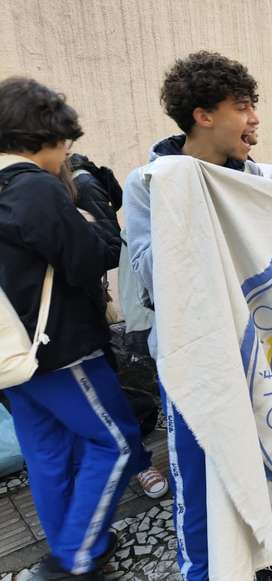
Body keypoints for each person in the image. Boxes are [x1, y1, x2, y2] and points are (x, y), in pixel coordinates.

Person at [124, 52, 272, 581]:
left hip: (256, 347)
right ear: (203, 115)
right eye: (243, 107)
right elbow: (149, 276)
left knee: (263, 456)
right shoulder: (148, 181)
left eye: (254, 106)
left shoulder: (256, 176)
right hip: (193, 358)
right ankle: (203, 572)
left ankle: (261, 554)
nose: (255, 119)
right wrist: (187, 203)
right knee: (197, 474)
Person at [0, 77, 148, 580]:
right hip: (62, 350)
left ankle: (71, 543)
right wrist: (88, 220)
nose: (67, 151)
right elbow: (91, 260)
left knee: (47, 452)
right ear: (45, 134)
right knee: (116, 442)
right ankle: (76, 557)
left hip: (13, 355)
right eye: (65, 140)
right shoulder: (32, 186)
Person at [67, 153, 169, 500]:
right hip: (26, 331)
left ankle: (138, 463)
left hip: (76, 318)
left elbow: (111, 248)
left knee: (107, 390)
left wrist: (80, 227)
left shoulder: (77, 182)